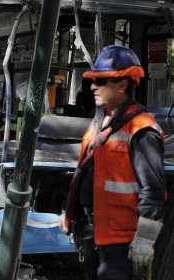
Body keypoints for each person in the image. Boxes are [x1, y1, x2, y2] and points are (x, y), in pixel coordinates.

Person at [59, 45, 165, 280]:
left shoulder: (141, 129)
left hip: (122, 243)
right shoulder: (98, 123)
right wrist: (69, 211)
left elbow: (154, 190)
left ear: (122, 84)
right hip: (94, 235)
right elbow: (84, 172)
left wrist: (145, 239)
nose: (93, 87)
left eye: (101, 81)